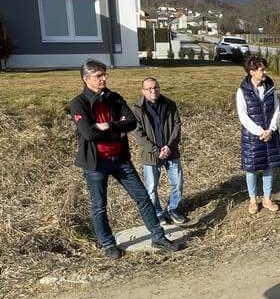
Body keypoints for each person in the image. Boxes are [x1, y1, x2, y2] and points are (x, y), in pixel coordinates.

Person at [68, 61, 183, 259]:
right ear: (86, 79)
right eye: (98, 76)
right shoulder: (79, 103)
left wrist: (107, 125)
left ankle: (158, 236)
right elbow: (88, 133)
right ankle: (108, 244)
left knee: (143, 197)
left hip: (120, 159)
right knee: (99, 205)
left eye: (104, 74)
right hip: (96, 163)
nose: (103, 78)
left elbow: (130, 122)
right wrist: (116, 130)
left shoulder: (114, 98)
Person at [135, 76, 189, 225]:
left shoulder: (169, 104)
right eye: (149, 88)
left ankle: (173, 209)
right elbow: (138, 134)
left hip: (171, 152)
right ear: (143, 91)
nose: (153, 90)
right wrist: (156, 150)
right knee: (151, 188)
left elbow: (177, 125)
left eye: (156, 87)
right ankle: (157, 213)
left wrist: (170, 146)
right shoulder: (137, 109)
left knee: (177, 183)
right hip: (151, 155)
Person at [236, 55, 280, 214]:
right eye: (261, 69)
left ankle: (267, 198)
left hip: (270, 133)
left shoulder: (270, 87)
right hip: (252, 137)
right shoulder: (242, 91)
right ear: (252, 72)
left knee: (269, 166)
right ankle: (253, 200)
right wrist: (259, 132)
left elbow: (277, 109)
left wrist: (271, 129)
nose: (265, 72)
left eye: (264, 68)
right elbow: (243, 117)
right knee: (252, 168)